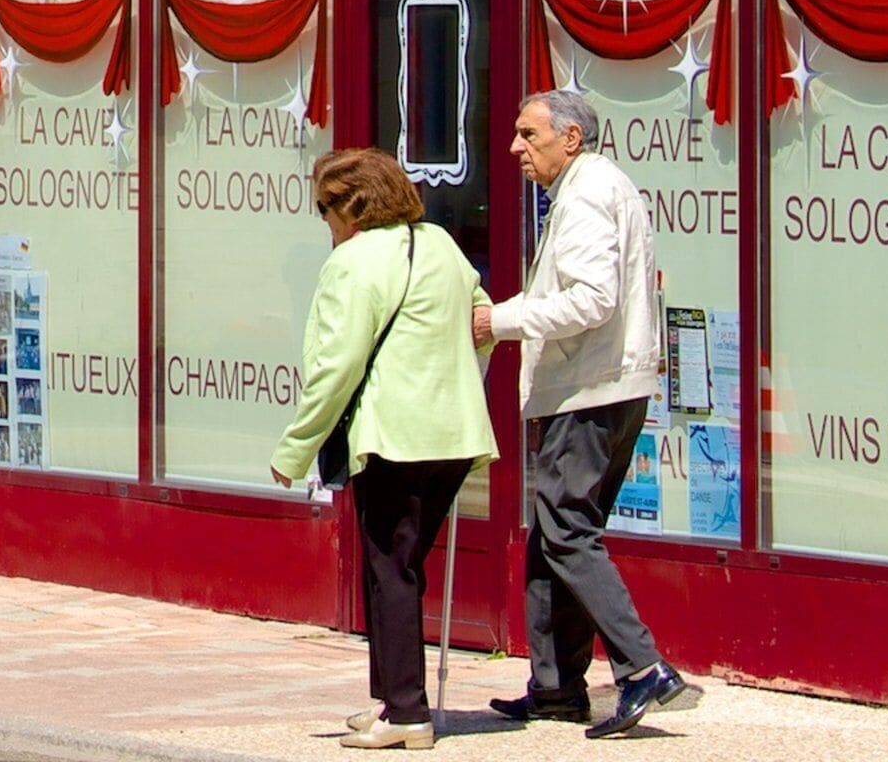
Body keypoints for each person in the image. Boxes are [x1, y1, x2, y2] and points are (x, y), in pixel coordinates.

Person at [470, 89, 698, 737]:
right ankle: (556, 687)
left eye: (528, 134)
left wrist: (500, 319)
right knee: (551, 538)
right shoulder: (588, 187)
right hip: (601, 385)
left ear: (570, 138)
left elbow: (592, 299)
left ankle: (641, 666)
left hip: (591, 389)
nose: (515, 147)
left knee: (566, 528)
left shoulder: (589, 191)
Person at [274, 146, 498, 751]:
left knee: (389, 571)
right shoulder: (443, 245)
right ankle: (390, 699)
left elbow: (336, 364)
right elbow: (484, 323)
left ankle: (406, 713)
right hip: (454, 433)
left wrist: (296, 447)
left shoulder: (351, 262)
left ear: (350, 207)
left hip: (393, 434)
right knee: (399, 566)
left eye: (325, 209)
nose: (324, 222)